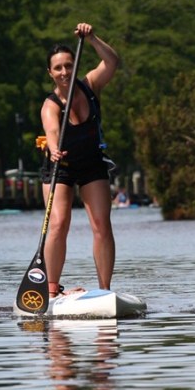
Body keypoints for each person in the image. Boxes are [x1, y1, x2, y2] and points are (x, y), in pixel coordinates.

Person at [39, 22, 119, 297]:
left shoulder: (91, 85)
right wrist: (53, 148)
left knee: (101, 224)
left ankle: (104, 292)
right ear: (50, 73)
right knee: (59, 224)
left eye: (68, 66)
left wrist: (93, 37)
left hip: (91, 162)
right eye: (58, 68)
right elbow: (51, 132)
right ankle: (51, 290)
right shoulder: (51, 105)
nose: (65, 72)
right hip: (60, 165)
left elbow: (112, 62)